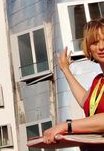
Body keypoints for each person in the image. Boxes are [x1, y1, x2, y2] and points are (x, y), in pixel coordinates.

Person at [43, 18, 104, 146]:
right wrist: (66, 70)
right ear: (88, 47)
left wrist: (67, 125)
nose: (101, 47)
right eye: (95, 42)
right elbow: (85, 101)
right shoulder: (99, 81)